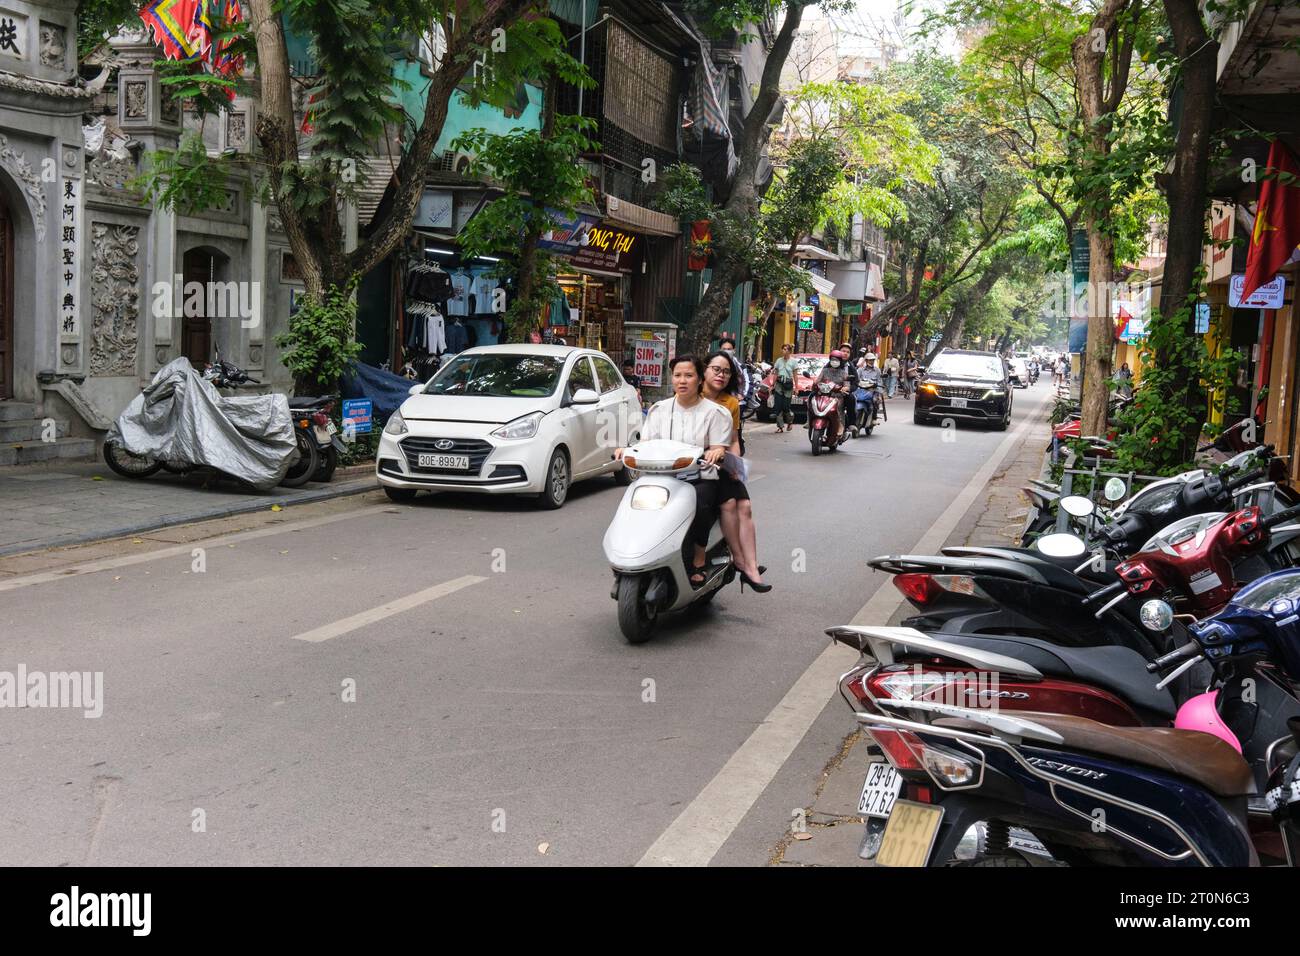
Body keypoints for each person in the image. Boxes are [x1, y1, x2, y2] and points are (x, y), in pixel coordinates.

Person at [616, 355, 732, 588]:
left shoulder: (715, 413)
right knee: (633, 503)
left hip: (698, 477)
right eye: (678, 375)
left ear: (699, 379)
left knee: (701, 504)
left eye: (689, 375)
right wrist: (626, 450)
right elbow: (646, 443)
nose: (682, 381)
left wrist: (715, 452)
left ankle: (699, 558)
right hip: (660, 479)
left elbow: (720, 446)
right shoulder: (659, 410)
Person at [703, 352, 770, 592]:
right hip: (697, 464)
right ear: (704, 370)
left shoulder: (730, 403)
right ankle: (739, 560)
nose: (721, 375)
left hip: (723, 464)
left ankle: (751, 566)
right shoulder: (691, 395)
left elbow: (733, 440)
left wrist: (735, 464)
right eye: (716, 369)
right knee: (729, 504)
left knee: (745, 506)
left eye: (726, 371)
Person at [814, 349, 853, 439]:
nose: (834, 362)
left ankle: (840, 426)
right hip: (824, 395)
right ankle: (809, 420)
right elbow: (818, 380)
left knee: (838, 407)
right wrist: (814, 383)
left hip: (837, 397)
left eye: (837, 360)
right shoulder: (825, 370)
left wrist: (844, 388)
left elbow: (847, 385)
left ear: (840, 361)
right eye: (833, 359)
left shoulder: (844, 373)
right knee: (812, 399)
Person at [772, 343, 797, 433]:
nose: (784, 351)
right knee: (778, 406)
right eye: (783, 349)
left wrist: (796, 388)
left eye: (786, 349)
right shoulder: (779, 360)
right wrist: (772, 385)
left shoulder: (793, 362)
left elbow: (795, 375)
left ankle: (790, 421)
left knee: (786, 406)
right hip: (779, 384)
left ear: (790, 351)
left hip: (788, 384)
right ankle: (780, 426)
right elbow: (776, 373)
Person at [858, 353, 884, 424]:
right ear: (866, 361)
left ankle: (874, 418)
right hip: (861, 390)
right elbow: (856, 380)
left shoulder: (877, 370)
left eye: (872, 360)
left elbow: (879, 381)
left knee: (875, 400)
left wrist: (879, 392)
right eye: (869, 360)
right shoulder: (860, 370)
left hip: (873, 390)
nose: (871, 362)